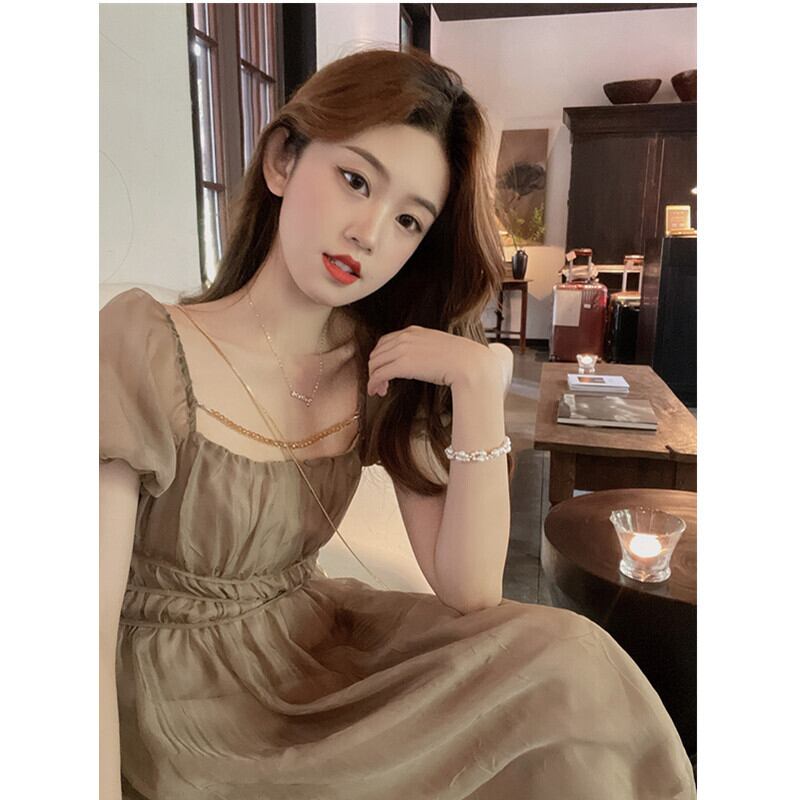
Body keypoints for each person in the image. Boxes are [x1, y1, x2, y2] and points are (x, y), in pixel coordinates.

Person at [100, 47, 696, 799]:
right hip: (181, 705)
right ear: (283, 160)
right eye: (355, 180)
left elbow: (470, 588)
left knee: (571, 663)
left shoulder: (379, 365)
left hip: (313, 657)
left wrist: (479, 386)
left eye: (409, 220)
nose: (370, 233)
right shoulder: (143, 342)